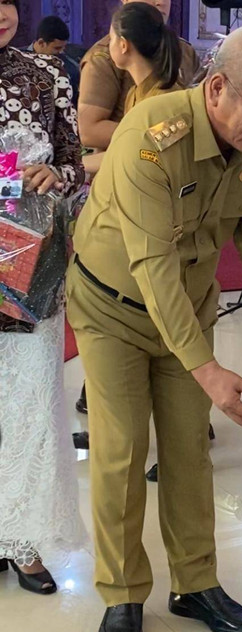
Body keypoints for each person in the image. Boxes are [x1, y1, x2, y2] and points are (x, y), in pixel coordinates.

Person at [66, 24, 242, 632]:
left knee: (188, 452)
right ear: (217, 88)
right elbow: (152, 264)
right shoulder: (151, 135)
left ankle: (195, 584)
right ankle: (121, 592)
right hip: (112, 306)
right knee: (120, 451)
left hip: (186, 311)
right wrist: (209, 369)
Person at [72, 1, 184, 476]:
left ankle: (172, 440)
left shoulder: (159, 101)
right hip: (136, 222)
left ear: (122, 45)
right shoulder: (146, 92)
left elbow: (140, 151)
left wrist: (72, 166)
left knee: (163, 323)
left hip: (152, 227)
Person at [0, 0, 86, 595]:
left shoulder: (46, 76)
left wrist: (54, 177)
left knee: (31, 395)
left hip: (31, 256)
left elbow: (78, 165)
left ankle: (24, 537)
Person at [77, 0, 199, 152]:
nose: (160, 2)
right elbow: (89, 131)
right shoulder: (103, 58)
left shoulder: (184, 52)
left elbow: (174, 137)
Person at [25, 15, 80, 106]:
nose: (61, 52)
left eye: (63, 47)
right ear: (41, 43)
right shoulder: (14, 61)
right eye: (57, 48)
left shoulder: (70, 68)